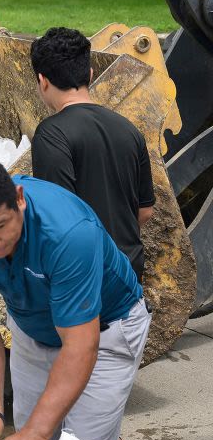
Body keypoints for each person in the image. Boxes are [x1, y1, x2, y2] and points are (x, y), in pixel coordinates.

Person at [0, 158, 151, 440]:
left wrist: (37, 432)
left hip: (103, 331)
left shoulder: (68, 232)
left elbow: (79, 344)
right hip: (32, 328)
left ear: (19, 198)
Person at [29, 27, 155, 281]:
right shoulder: (129, 129)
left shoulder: (51, 134)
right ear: (89, 74)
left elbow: (57, 218)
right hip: (129, 273)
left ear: (43, 81)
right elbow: (145, 211)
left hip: (83, 277)